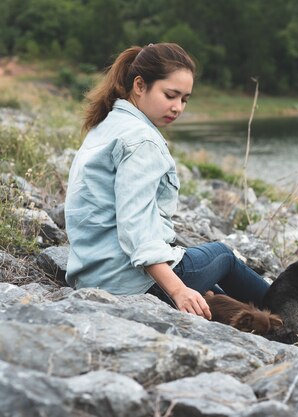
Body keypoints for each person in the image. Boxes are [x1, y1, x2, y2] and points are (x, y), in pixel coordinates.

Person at [64, 43, 270, 319]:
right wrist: (177, 290)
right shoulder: (141, 140)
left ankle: (264, 323)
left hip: (92, 276)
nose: (177, 107)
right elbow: (135, 226)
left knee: (215, 291)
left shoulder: (108, 124)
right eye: (170, 95)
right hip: (131, 283)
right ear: (140, 85)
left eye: (184, 99)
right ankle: (294, 308)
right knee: (223, 256)